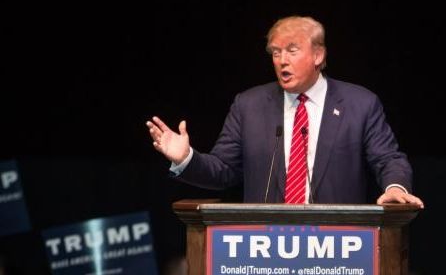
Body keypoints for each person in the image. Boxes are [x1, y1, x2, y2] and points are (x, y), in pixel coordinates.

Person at [146, 16, 424, 206]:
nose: (282, 61)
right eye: (275, 52)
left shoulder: (360, 104)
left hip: (337, 250)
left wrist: (395, 188)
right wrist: (186, 158)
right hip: (267, 252)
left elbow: (388, 159)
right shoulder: (249, 105)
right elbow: (224, 171)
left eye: (292, 50)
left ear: (318, 55)